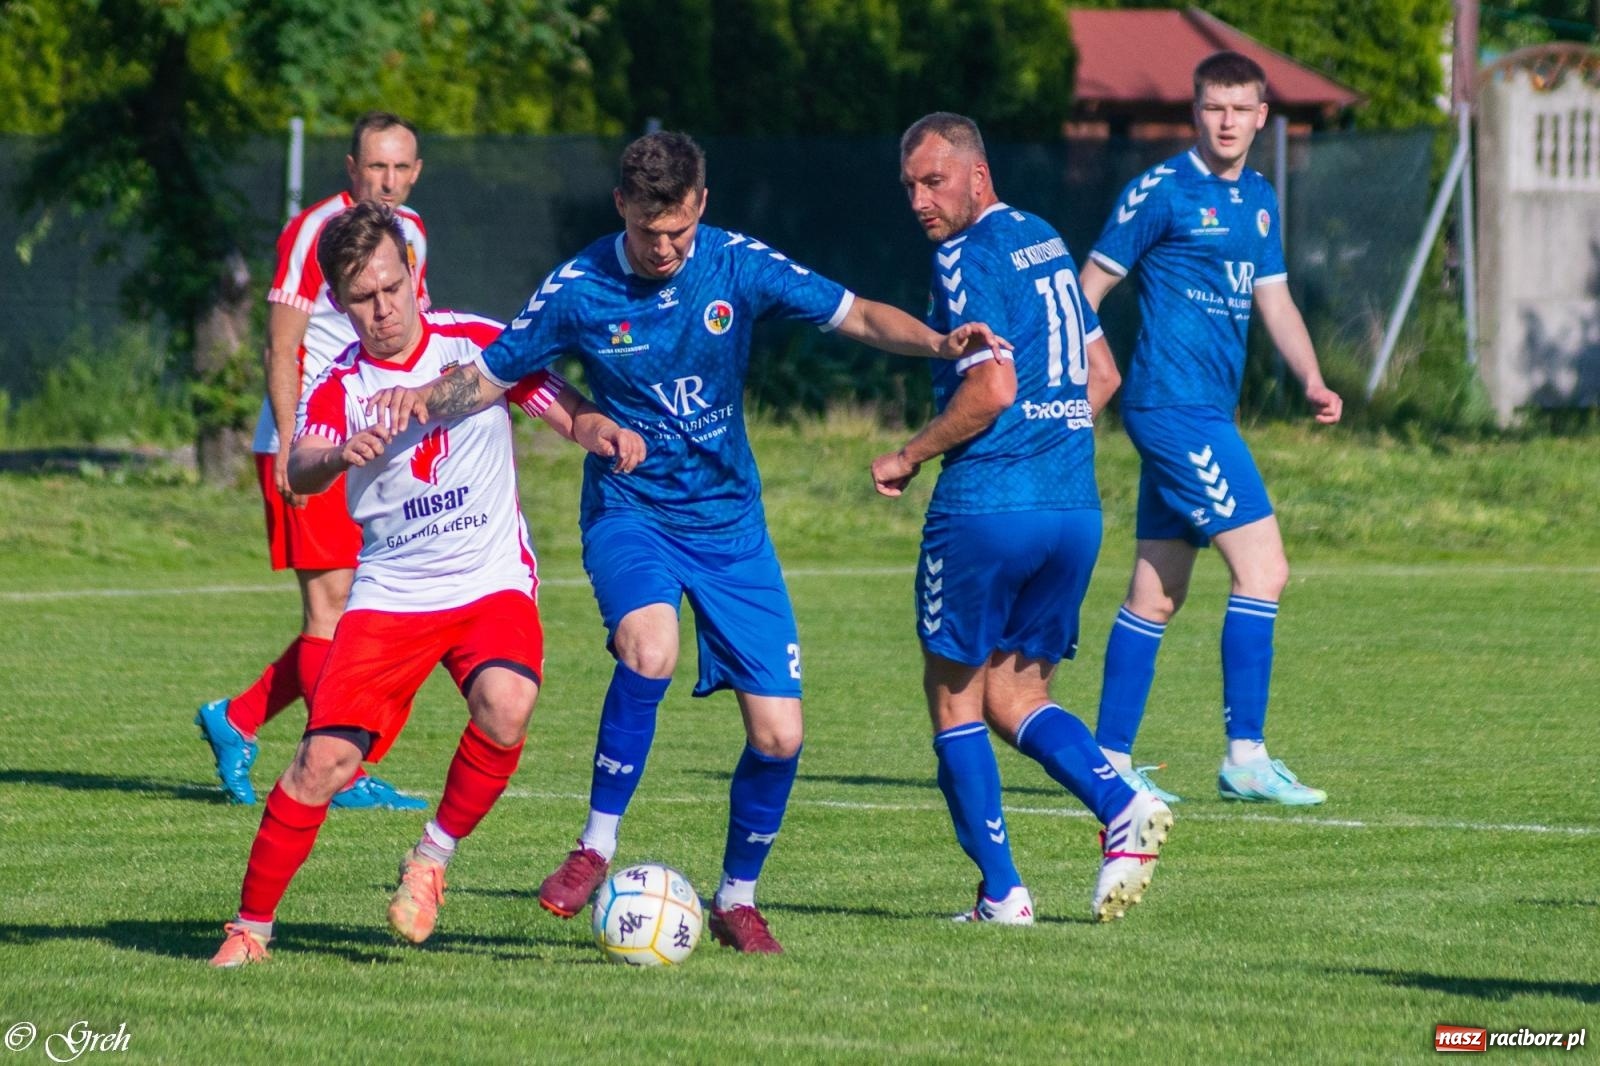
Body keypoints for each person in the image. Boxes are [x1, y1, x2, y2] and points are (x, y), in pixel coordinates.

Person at [365, 130, 1004, 954]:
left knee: (780, 735)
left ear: (701, 204)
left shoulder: (735, 264)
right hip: (632, 511)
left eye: (678, 230)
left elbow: (855, 313)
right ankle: (595, 846)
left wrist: (938, 343)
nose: (663, 248)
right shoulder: (580, 287)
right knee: (651, 648)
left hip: (731, 526)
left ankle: (737, 899)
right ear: (621, 207)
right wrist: (420, 396)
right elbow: (491, 375)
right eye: (647, 230)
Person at [208, 202, 644, 967]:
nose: (382, 309)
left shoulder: (475, 343)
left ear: (412, 272)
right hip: (393, 594)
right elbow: (298, 468)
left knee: (507, 705)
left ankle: (431, 858)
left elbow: (562, 408)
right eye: (362, 298)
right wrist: (337, 454)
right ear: (339, 302)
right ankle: (250, 929)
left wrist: (601, 430)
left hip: (488, 580)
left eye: (390, 287)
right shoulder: (340, 385)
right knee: (323, 764)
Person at [871, 112, 1173, 924]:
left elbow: (993, 389)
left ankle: (1003, 893)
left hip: (987, 510)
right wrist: (1051, 442)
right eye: (910, 186)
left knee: (953, 698)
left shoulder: (962, 256)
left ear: (978, 175)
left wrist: (910, 454)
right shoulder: (1043, 238)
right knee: (1013, 695)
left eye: (935, 182)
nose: (920, 201)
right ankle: (1121, 803)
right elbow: (1102, 374)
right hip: (1072, 509)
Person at [1079, 52, 1343, 806]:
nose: (1227, 122)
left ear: (1262, 116)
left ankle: (1108, 759)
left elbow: (1275, 299)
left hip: (1204, 411)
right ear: (1196, 112)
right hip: (1172, 408)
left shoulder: (1259, 197)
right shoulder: (1159, 192)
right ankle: (1246, 758)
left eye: (1240, 109)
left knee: (1157, 592)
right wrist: (1085, 382)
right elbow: (1084, 291)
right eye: (1214, 108)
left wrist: (1312, 377)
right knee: (1265, 569)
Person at [195, 112, 431, 810]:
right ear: (351, 167)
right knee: (331, 609)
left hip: (371, 446)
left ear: (416, 172)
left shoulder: (411, 234)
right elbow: (281, 345)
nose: (387, 181)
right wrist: (294, 451)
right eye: (376, 166)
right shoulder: (313, 231)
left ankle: (238, 718)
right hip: (313, 445)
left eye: (401, 167)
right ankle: (341, 770)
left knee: (358, 609)